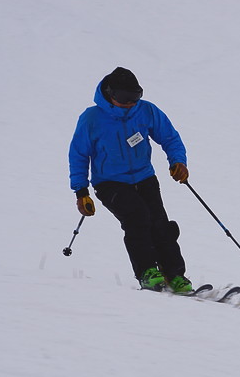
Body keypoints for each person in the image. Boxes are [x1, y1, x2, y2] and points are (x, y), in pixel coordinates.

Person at [68, 67, 192, 293]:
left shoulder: (146, 111)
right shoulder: (91, 119)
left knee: (160, 224)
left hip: (145, 177)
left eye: (136, 97)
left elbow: (170, 137)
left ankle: (174, 275)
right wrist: (81, 192)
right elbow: (78, 154)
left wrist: (178, 161)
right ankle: (147, 272)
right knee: (137, 217)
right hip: (110, 183)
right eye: (126, 98)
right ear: (110, 94)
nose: (131, 104)